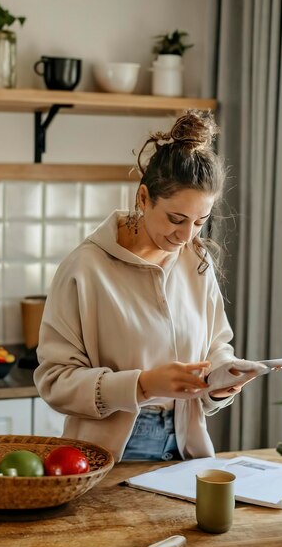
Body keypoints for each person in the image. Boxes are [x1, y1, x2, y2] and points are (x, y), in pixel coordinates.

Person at [34, 110, 267, 462]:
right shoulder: (85, 268)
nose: (186, 235)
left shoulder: (195, 260)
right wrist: (142, 385)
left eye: (199, 222)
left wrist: (223, 379)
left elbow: (217, 343)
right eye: (176, 219)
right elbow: (54, 381)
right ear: (143, 198)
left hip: (187, 447)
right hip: (110, 455)